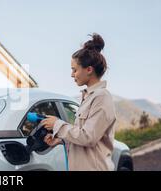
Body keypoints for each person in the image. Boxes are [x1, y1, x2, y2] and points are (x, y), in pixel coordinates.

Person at [40, 33, 116, 171]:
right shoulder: (87, 97)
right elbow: (82, 136)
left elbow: (89, 137)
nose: (71, 74)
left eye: (74, 69)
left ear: (89, 70)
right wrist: (61, 140)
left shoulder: (102, 97)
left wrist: (57, 124)